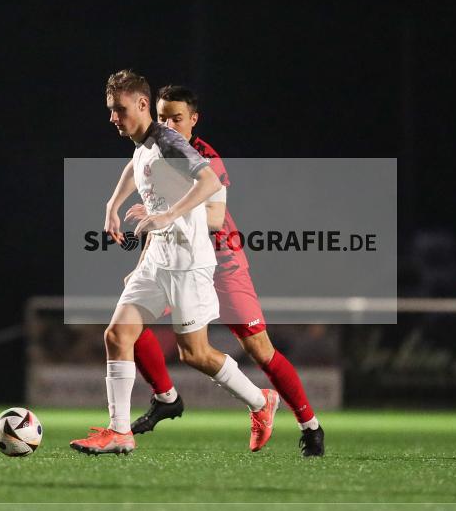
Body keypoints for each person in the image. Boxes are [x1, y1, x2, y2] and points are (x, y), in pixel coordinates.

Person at [70, 70, 279, 455]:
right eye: (111, 110)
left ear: (143, 104)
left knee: (194, 353)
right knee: (117, 336)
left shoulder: (168, 140)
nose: (113, 118)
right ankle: (119, 433)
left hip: (188, 261)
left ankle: (260, 401)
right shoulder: (144, 141)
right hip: (157, 259)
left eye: (120, 109)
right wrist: (112, 204)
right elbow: (136, 165)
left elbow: (209, 183)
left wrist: (167, 216)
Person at [123, 85, 324, 457]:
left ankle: (310, 426)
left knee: (260, 350)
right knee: (125, 325)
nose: (167, 124)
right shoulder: (156, 152)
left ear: (193, 121)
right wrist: (141, 264)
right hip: (178, 261)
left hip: (222, 264)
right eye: (163, 116)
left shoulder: (204, 158)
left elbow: (214, 218)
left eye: (176, 118)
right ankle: (165, 396)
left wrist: (165, 216)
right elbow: (156, 211)